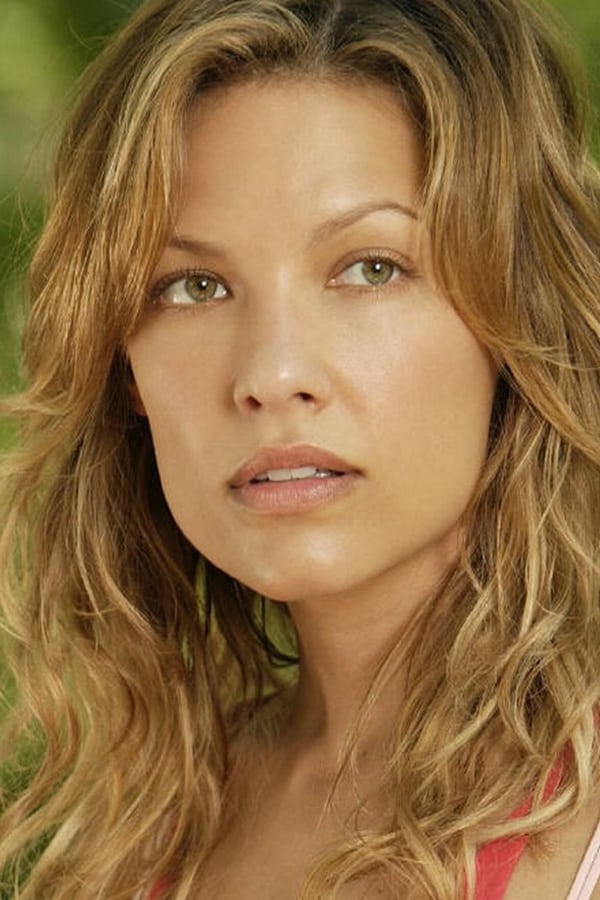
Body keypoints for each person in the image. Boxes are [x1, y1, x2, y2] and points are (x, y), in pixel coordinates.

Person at [0, 0, 599, 897]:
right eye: (194, 286)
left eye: (371, 268)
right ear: (124, 370)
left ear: (521, 317)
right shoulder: (143, 829)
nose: (272, 375)